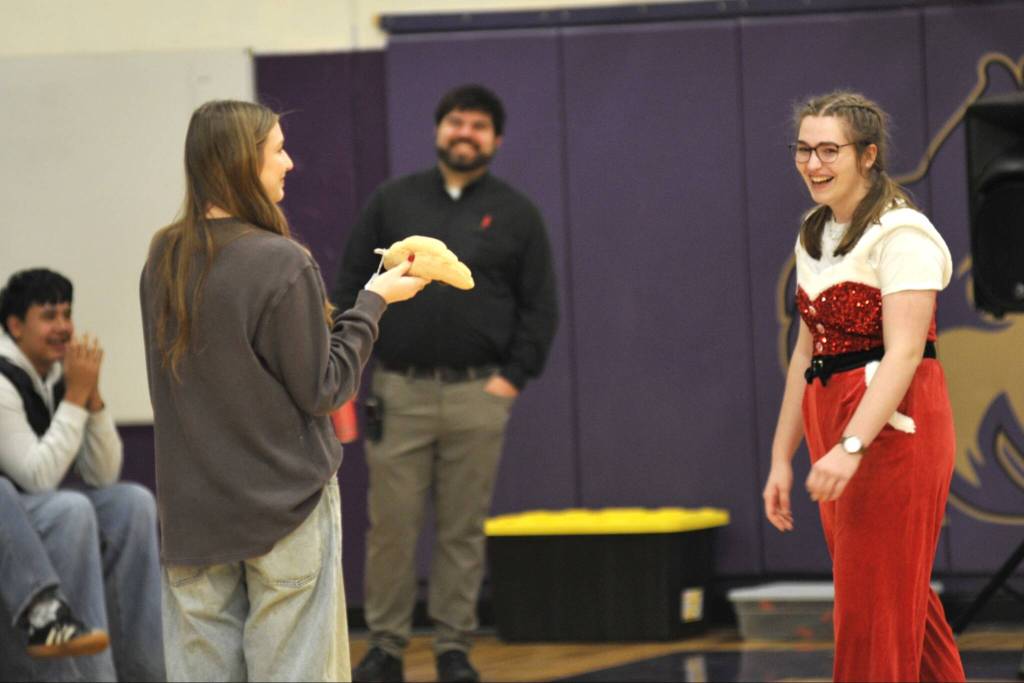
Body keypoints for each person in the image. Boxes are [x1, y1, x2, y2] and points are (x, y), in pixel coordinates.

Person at [140, 99, 426, 683]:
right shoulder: (280, 261)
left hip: (194, 521)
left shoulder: (162, 259)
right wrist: (373, 303)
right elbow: (326, 388)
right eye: (277, 150)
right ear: (243, 162)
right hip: (284, 510)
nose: (290, 162)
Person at [334, 84, 558, 683]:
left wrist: (510, 382)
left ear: (496, 139)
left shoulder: (516, 213)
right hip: (399, 392)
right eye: (456, 121)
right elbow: (351, 284)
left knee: (462, 529)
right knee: (391, 528)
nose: (466, 132)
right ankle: (385, 646)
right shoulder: (393, 201)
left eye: (479, 125)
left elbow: (541, 308)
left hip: (477, 395)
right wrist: (349, 370)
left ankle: (454, 647)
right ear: (438, 130)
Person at [762, 91, 965, 682]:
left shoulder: (905, 235)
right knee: (897, 600)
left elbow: (904, 353)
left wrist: (851, 445)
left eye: (830, 150)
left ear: (868, 155)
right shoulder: (814, 231)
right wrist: (782, 456)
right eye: (804, 149)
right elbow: (808, 350)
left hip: (894, 427)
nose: (813, 164)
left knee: (872, 605)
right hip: (831, 416)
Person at [0, 268, 164, 682]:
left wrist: (92, 400)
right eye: (49, 315)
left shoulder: (59, 375)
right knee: (68, 509)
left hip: (33, 508)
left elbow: (103, 473)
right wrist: (74, 398)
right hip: (10, 517)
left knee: (132, 503)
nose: (63, 327)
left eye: (67, 314)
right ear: (15, 325)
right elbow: (37, 478)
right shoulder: (3, 379)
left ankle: (146, 669)